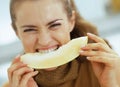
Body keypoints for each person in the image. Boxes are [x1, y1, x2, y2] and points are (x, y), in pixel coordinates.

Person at [3, 0, 120, 87]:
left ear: (71, 21)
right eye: (29, 30)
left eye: (54, 25)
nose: (44, 40)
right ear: (16, 32)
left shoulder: (109, 69)